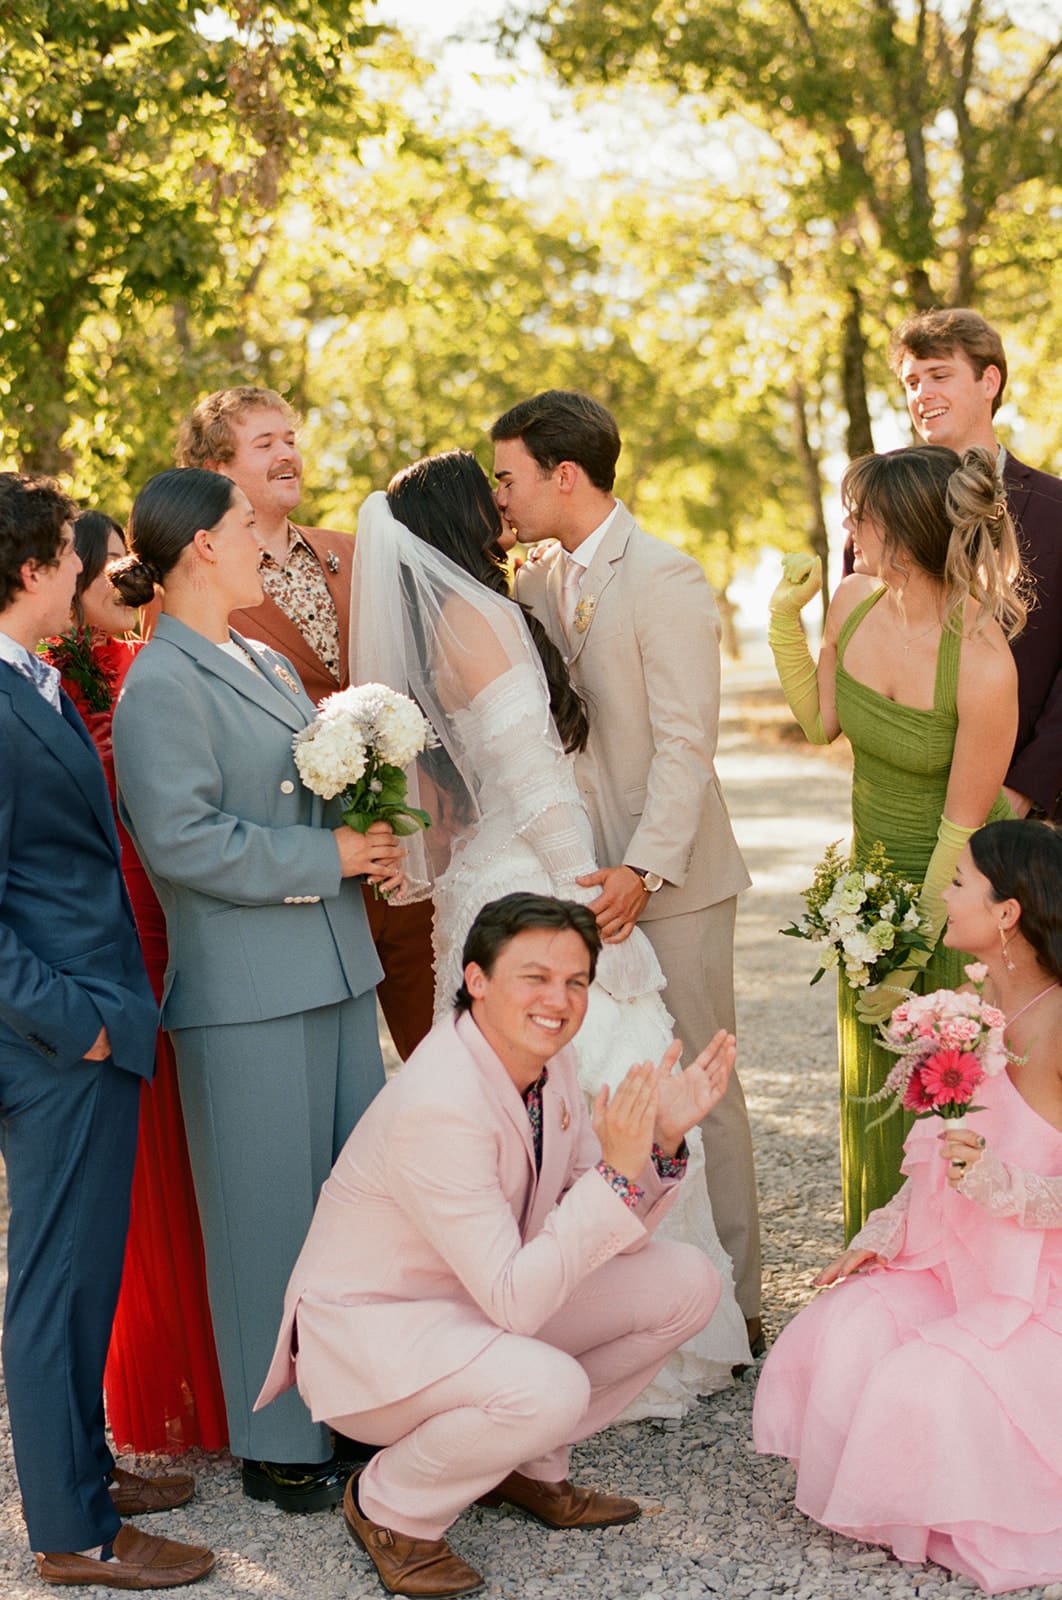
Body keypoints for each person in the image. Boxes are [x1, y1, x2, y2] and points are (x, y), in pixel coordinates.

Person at [352, 452, 750, 1408]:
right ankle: (645, 1327)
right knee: (615, 1075)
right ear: (461, 517)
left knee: (514, 1102)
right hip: (537, 872)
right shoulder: (482, 615)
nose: (502, 504)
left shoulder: (438, 624)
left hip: (478, 881)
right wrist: (594, 909)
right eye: (486, 494)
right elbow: (535, 785)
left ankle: (530, 1312)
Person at [257, 892, 736, 1600]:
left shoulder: (547, 1061)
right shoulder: (440, 1103)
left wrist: (658, 1146)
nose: (560, 1000)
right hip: (383, 1334)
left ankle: (523, 1465)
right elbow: (520, 1297)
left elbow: (592, 1223)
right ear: (476, 979)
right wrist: (614, 1169)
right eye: (535, 977)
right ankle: (390, 1505)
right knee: (550, 1384)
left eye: (575, 981)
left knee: (688, 1282)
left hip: (478, 1296)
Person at [110, 468, 404, 1510]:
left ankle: (355, 1406)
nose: (261, 541)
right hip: (243, 992)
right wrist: (328, 863)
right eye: (245, 526)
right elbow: (183, 842)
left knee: (353, 1213)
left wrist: (370, 846)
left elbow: (310, 793)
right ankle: (280, 1442)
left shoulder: (266, 656)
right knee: (267, 1220)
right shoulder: (159, 681)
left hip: (331, 968)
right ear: (199, 546)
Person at [492, 391, 761, 1352]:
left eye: (510, 477)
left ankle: (741, 1297)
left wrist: (644, 868)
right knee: (615, 1079)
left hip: (673, 877)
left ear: (566, 475)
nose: (502, 497)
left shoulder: (667, 577)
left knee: (702, 1084)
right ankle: (644, 1292)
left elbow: (688, 744)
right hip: (578, 882)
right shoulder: (531, 585)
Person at [753, 818, 1062, 1595]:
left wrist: (1005, 1187)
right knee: (846, 1327)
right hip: (957, 1255)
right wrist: (884, 1228)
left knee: (922, 1383)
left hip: (1037, 1285)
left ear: (1008, 914)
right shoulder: (964, 1006)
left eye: (958, 883)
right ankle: (899, 1490)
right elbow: (933, 1152)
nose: (942, 896)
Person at [0, 473, 214, 1589]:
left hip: (89, 1026)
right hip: (54, 1044)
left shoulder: (30, 677)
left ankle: (80, 1467)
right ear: (36, 571)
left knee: (85, 1275)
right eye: (73, 557)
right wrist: (73, 1025)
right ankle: (75, 1533)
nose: (90, 571)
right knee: (54, 1279)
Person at [769, 444, 1024, 1237]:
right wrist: (786, 619)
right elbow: (819, 723)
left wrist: (910, 952)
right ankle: (870, 1272)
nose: (849, 526)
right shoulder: (852, 601)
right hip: (866, 900)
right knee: (870, 1089)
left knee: (946, 1100)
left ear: (906, 534)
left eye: (862, 514)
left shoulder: (982, 662)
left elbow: (963, 827)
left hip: (955, 906)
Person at [41, 510, 228, 1454]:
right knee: (136, 1184)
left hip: (171, 923)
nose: (121, 576)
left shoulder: (138, 665)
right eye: (99, 564)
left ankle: (222, 1379)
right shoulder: (51, 678)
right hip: (115, 944)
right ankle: (160, 1398)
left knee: (197, 1171)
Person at [175, 386, 435, 1060]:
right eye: (265, 445)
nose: (288, 454)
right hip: (307, 885)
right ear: (216, 471)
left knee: (453, 1060)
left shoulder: (356, 551)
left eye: (289, 439)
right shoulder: (192, 589)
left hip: (409, 865)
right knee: (338, 1091)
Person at [889, 307, 1062, 821]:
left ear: (990, 380)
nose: (922, 394)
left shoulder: (1057, 511)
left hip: (1026, 813)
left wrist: (1025, 790)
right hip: (905, 807)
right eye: (912, 381)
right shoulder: (882, 514)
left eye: (939, 375)